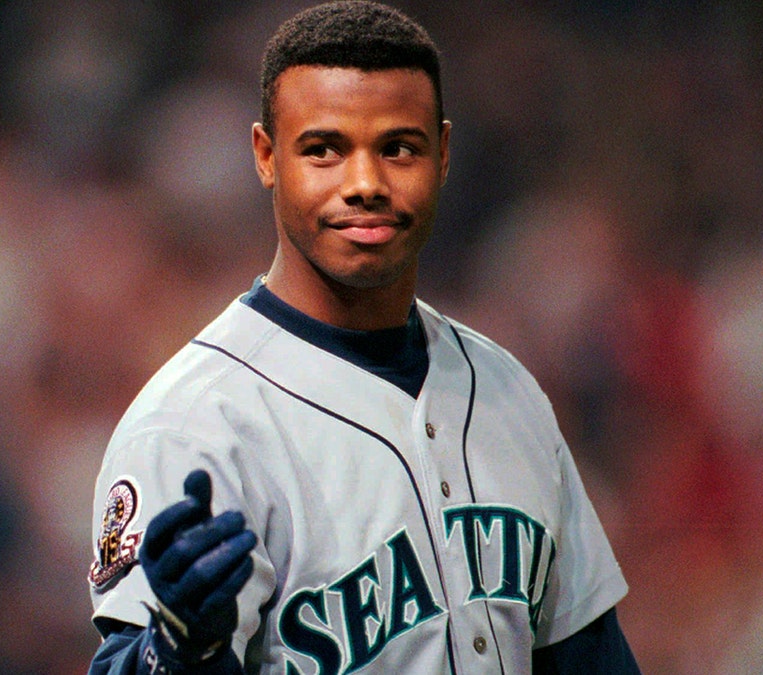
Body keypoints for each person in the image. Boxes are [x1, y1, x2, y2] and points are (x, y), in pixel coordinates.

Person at [86, 2, 639, 673]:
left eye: (398, 148)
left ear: (442, 154)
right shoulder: (194, 424)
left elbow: (592, 656)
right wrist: (175, 650)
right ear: (266, 156)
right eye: (324, 149)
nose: (365, 184)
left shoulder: (508, 392)